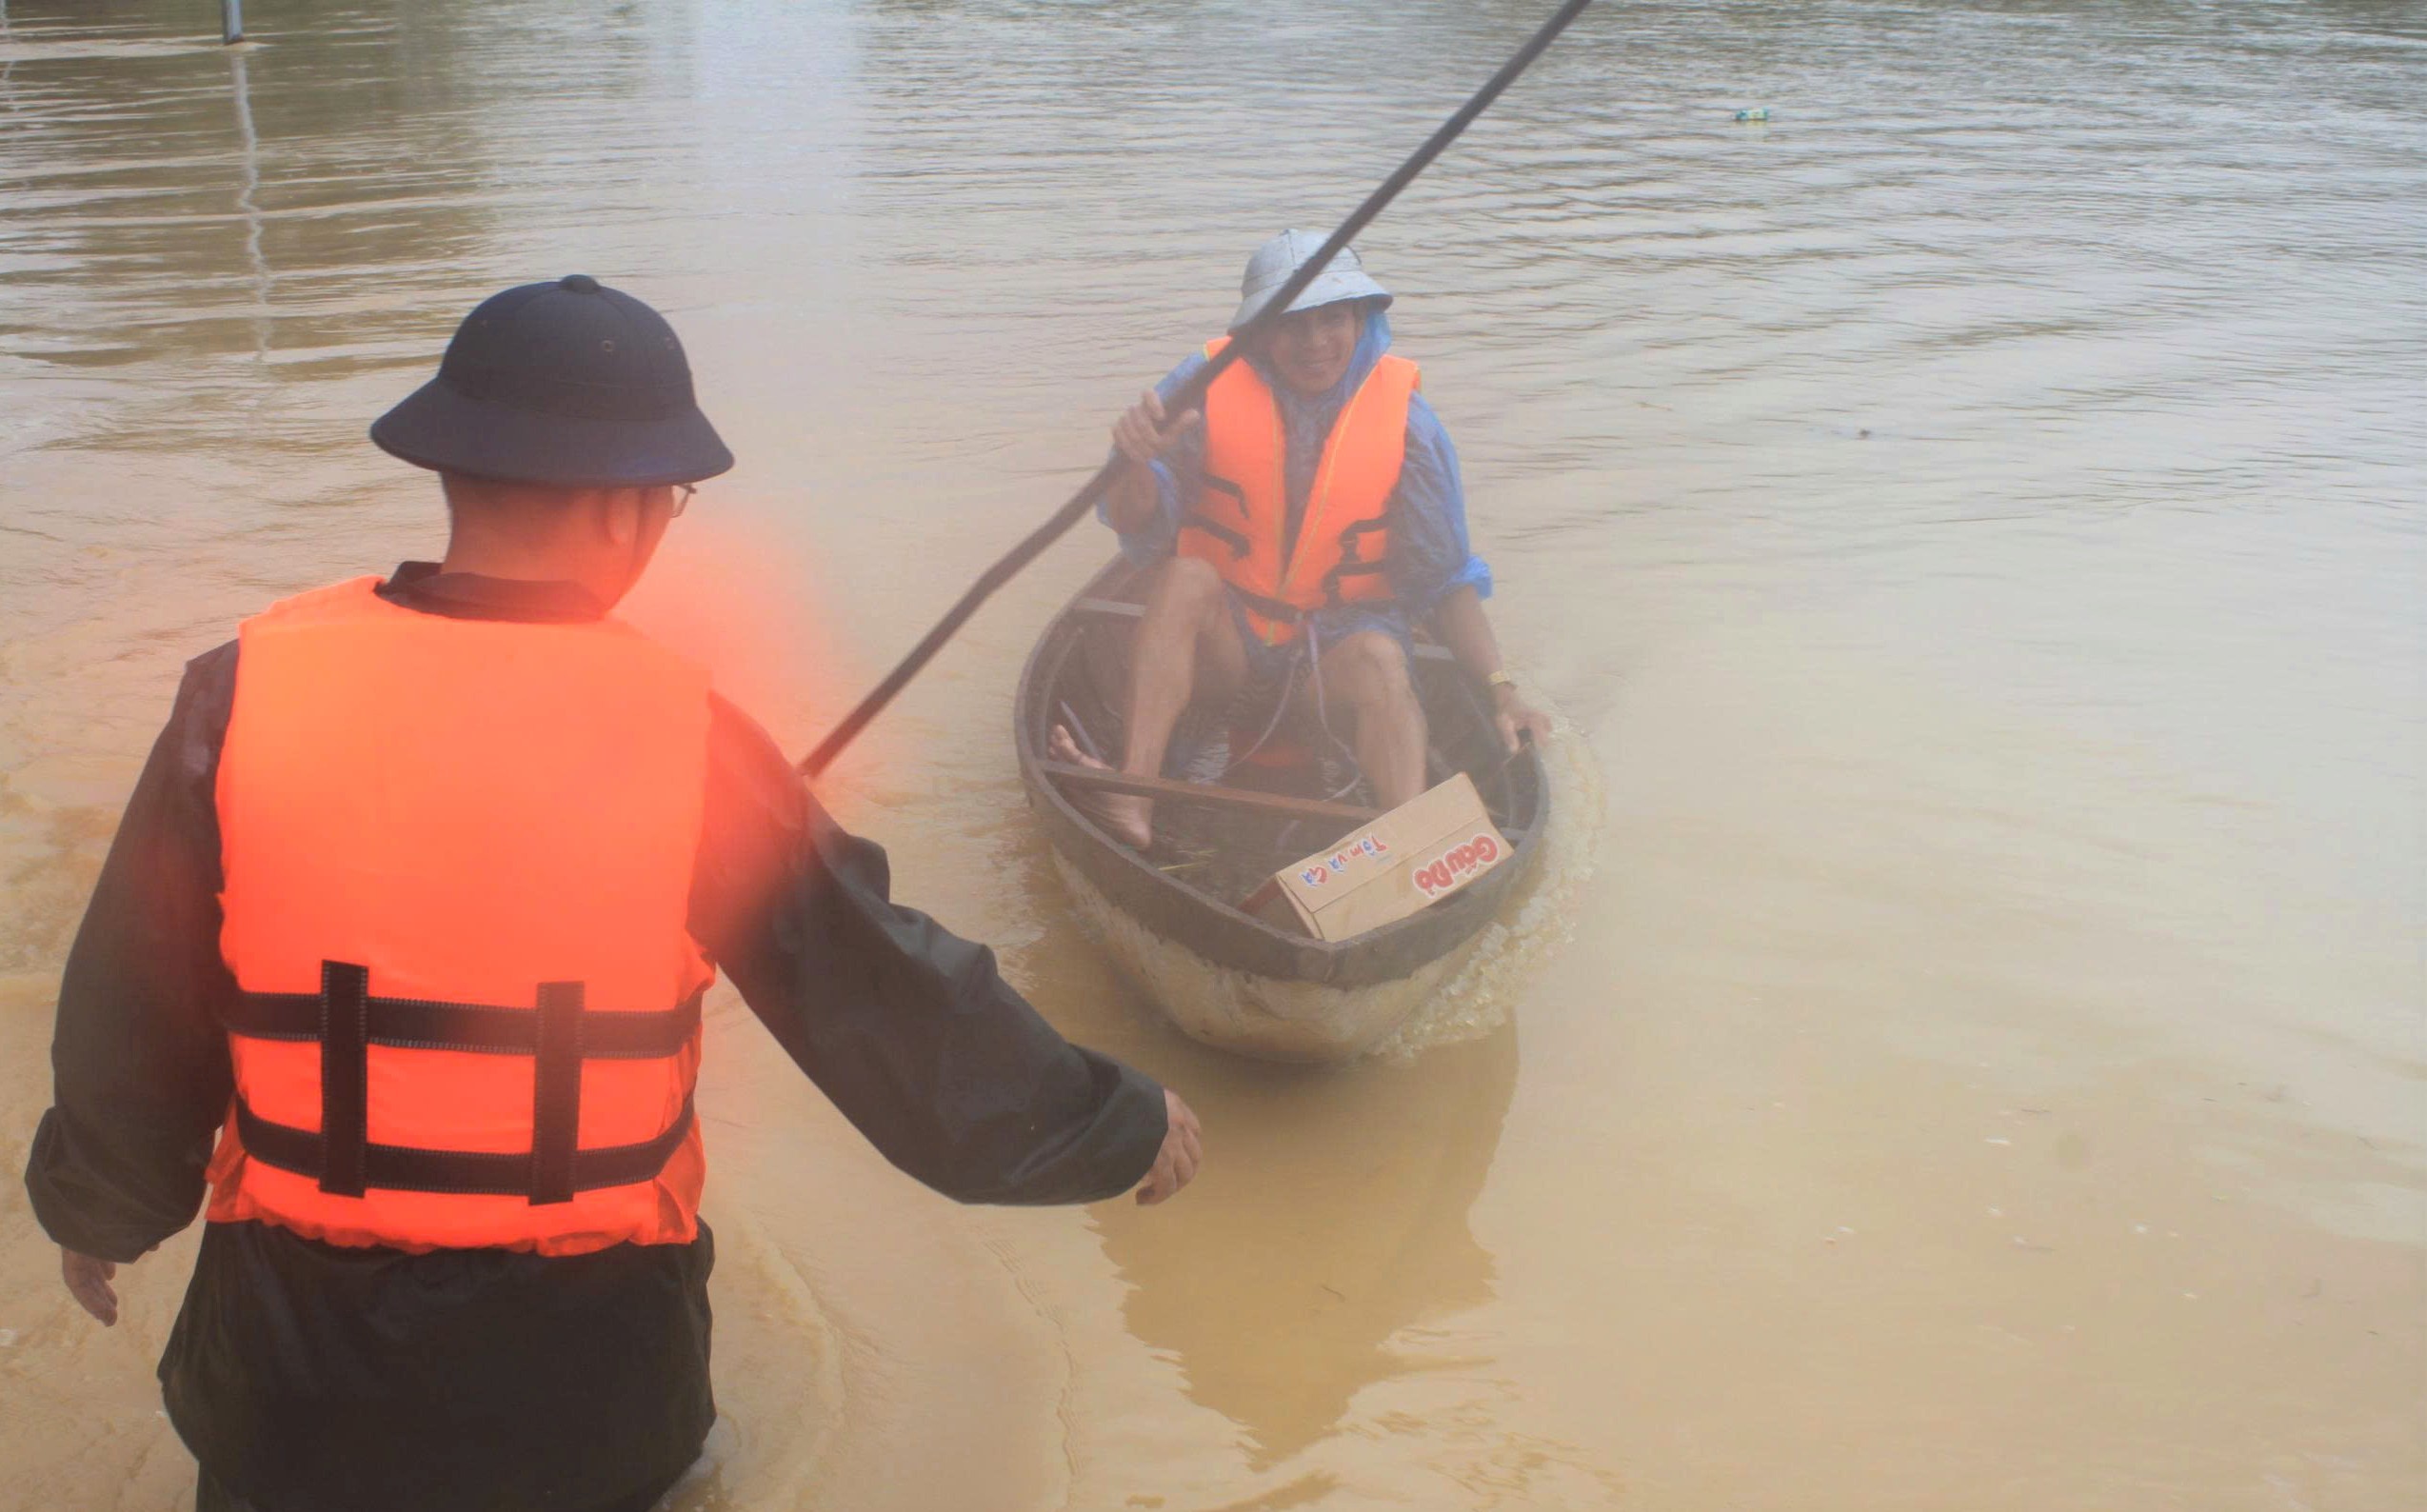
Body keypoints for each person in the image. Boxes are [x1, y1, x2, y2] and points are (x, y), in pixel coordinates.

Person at [23, 274, 1203, 1512]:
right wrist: (1109, 1119)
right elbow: (889, 1001)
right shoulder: (690, 739)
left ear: (454, 473)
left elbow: (137, 997)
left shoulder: (239, 692)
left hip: (287, 1373)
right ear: (626, 509)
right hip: (581, 1389)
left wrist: (99, 1204)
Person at [1050, 229, 1551, 850]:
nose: (1314, 344)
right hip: (1227, 647)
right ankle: (1134, 796)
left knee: (1381, 659)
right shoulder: (1200, 387)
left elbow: (1444, 579)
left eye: (1332, 320)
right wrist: (1130, 462)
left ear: (1359, 318)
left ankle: (1410, 859)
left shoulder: (1409, 422)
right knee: (1184, 575)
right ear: (1259, 331)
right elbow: (1133, 524)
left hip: (1331, 659)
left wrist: (1502, 691)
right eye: (1291, 325)